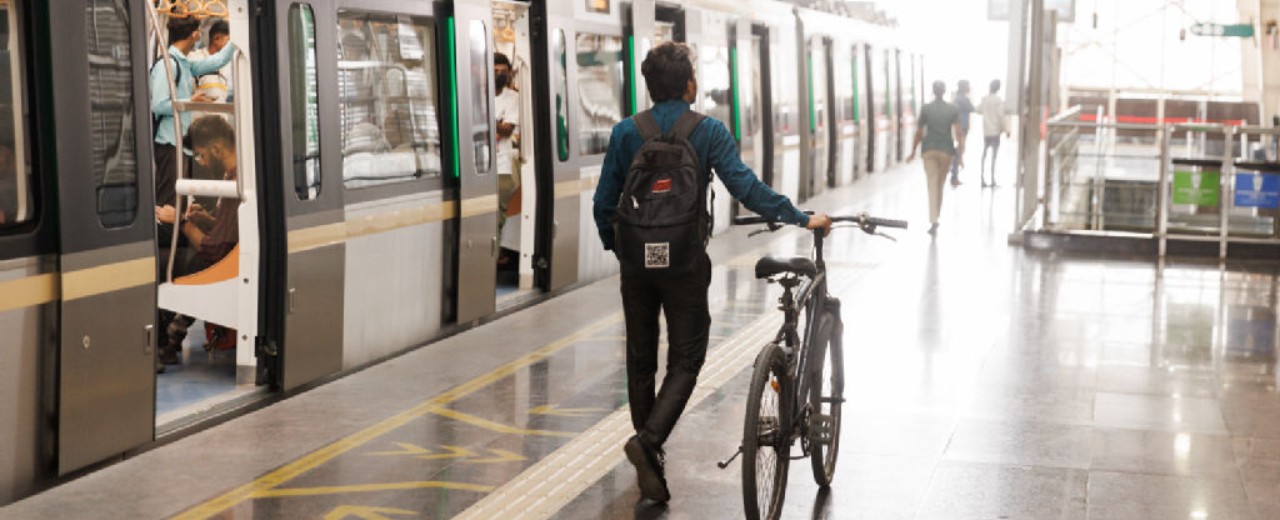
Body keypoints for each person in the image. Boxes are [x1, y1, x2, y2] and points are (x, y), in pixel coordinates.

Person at [592, 41, 831, 504]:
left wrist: (625, 250)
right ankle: (648, 443)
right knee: (686, 359)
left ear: (647, 85)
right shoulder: (708, 132)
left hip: (636, 266)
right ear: (690, 85)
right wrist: (801, 217)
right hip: (684, 262)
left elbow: (604, 205)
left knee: (641, 360)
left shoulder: (626, 132)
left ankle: (651, 456)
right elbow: (746, 188)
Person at [154, 116, 241, 361]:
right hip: (229, 252)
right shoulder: (232, 174)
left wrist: (181, 222)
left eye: (201, 155)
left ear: (216, 148)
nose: (200, 162)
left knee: (163, 263)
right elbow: (229, 231)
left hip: (226, 262)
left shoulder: (236, 180)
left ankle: (164, 344)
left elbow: (214, 250)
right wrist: (204, 220)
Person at [907, 80, 963, 234]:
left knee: (931, 183)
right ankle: (936, 216)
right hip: (946, 150)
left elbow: (919, 133)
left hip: (929, 150)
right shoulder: (953, 109)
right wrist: (960, 156)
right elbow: (959, 133)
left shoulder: (926, 109)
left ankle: (934, 219)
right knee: (940, 183)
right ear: (944, 91)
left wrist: (913, 151)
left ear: (933, 91)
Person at [494, 52, 521, 274]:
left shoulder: (512, 98)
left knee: (499, 213)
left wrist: (486, 121)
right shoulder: (476, 94)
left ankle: (493, 257)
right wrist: (496, 122)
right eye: (495, 71)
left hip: (501, 165)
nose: (499, 75)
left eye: (503, 71)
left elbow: (507, 129)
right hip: (477, 166)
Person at [978, 79, 1009, 187]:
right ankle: (992, 179)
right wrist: (1006, 129)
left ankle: (982, 178)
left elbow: (978, 110)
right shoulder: (999, 101)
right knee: (993, 156)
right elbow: (1001, 116)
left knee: (984, 155)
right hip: (995, 131)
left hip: (986, 131)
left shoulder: (984, 99)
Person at [949, 80, 974, 186]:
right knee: (959, 150)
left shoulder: (957, 98)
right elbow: (971, 108)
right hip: (961, 126)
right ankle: (954, 176)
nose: (969, 88)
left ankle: (955, 175)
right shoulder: (962, 99)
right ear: (963, 87)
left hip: (961, 126)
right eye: (968, 86)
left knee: (959, 150)